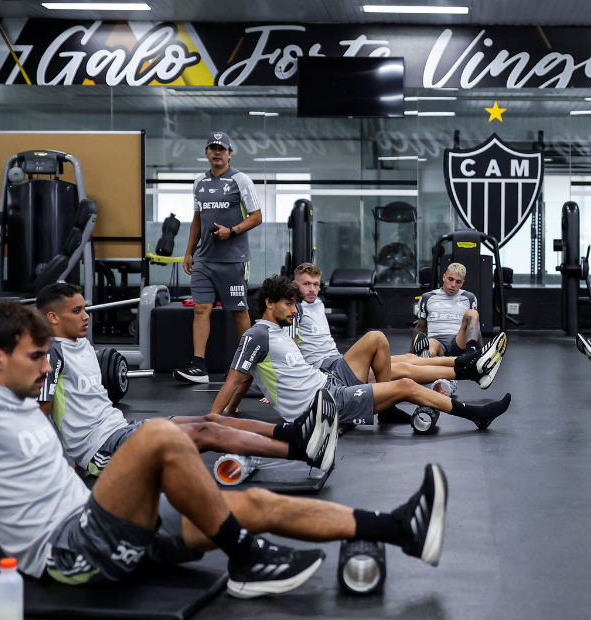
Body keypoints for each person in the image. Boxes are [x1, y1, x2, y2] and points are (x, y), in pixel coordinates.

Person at [0, 301, 450, 620]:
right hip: (72, 551)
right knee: (159, 436)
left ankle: (399, 527)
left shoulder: (15, 401)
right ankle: (245, 559)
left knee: (247, 503)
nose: (46, 368)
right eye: (36, 357)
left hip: (101, 526)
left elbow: (4, 483)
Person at [36, 282, 337, 475]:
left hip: (122, 430)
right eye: (77, 311)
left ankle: (295, 433)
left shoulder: (84, 345)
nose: (86, 315)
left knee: (215, 420)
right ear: (53, 318)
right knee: (208, 433)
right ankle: (304, 453)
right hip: (104, 451)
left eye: (85, 308)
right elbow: (42, 414)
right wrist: (59, 469)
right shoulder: (51, 354)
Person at [213, 275, 512, 430]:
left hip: (328, 379)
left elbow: (249, 377)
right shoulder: (256, 335)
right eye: (289, 304)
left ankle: (463, 369)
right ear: (269, 303)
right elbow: (234, 379)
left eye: (295, 303)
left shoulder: (277, 331)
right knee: (405, 383)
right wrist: (214, 419)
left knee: (375, 338)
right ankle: (477, 415)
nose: (294, 309)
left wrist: (234, 408)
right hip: (324, 402)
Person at [290, 262, 505, 386]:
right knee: (404, 368)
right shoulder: (294, 309)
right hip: (326, 373)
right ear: (294, 285)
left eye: (315, 284)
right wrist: (286, 387)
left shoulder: (316, 303)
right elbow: (287, 348)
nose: (311, 289)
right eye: (306, 284)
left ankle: (474, 360)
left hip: (339, 361)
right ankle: (473, 371)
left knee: (409, 358)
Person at [176, 132, 263, 384]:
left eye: (222, 149)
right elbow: (196, 220)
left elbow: (257, 216)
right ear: (206, 152)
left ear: (229, 153)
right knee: (201, 309)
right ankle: (198, 366)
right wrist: (189, 252)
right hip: (204, 259)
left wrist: (232, 231)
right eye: (212, 148)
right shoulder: (199, 182)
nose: (217, 152)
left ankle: (246, 368)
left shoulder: (240, 180)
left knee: (238, 311)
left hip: (233, 259)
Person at [414, 263, 485, 358]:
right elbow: (420, 326)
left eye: (458, 282)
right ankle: (429, 357)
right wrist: (411, 353)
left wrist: (482, 350)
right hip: (437, 342)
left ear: (462, 283)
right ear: (444, 277)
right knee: (430, 344)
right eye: (450, 279)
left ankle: (471, 353)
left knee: (473, 313)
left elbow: (475, 327)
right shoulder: (427, 297)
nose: (453, 285)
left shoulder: (469, 298)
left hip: (459, 342)